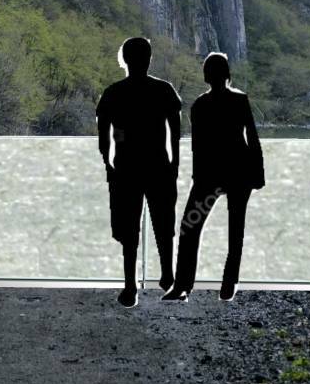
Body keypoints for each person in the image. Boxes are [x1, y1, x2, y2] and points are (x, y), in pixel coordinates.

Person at [163, 51, 265, 302]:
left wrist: (198, 178)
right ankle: (228, 285)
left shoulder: (199, 105)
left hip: (210, 176)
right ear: (227, 74)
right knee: (235, 231)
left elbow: (198, 145)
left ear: (206, 75)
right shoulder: (240, 100)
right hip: (239, 173)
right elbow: (251, 137)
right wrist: (258, 173)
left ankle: (183, 286)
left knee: (189, 227)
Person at [95, 36, 181, 307]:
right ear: (149, 59)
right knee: (164, 222)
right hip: (158, 164)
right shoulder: (164, 90)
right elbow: (175, 133)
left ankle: (130, 284)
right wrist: (175, 165)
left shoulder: (113, 92)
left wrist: (109, 164)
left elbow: (104, 135)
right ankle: (168, 275)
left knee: (128, 228)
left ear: (124, 60)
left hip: (126, 167)